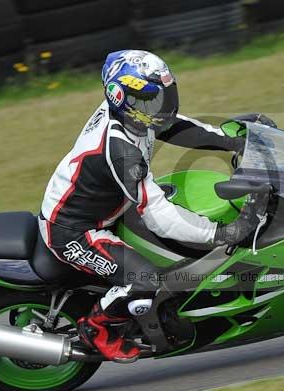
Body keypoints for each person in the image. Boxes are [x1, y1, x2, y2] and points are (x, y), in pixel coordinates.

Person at [39, 50, 262, 363]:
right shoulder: (121, 151)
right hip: (73, 230)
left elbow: (173, 126)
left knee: (181, 241)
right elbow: (159, 216)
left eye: (164, 96)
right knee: (144, 278)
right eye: (152, 101)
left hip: (107, 205)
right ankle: (96, 328)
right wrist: (223, 233)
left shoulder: (131, 114)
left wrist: (232, 140)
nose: (162, 107)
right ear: (122, 99)